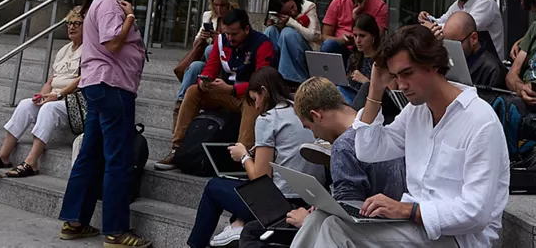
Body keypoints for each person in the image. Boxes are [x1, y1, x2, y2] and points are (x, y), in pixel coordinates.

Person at [290, 25, 510, 248]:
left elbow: (476, 214)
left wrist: (407, 209)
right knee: (318, 220)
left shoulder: (480, 121)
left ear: (433, 65)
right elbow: (367, 149)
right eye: (396, 76)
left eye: (407, 73)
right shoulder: (416, 111)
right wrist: (375, 88)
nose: (401, 85)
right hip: (414, 224)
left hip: (458, 239)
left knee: (335, 229)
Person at [241, 77, 409, 247]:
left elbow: (350, 211)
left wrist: (308, 218)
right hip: (399, 220)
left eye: (309, 127)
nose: (314, 136)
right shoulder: (381, 126)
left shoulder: (343, 145)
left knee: (307, 222)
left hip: (380, 228)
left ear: (316, 115)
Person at [58, 0, 148, 246]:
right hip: (113, 86)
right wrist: (131, 18)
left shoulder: (99, 1)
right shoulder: (109, 3)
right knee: (118, 159)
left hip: (98, 85)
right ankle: (117, 230)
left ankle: (74, 221)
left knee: (90, 154)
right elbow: (112, 43)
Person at [188, 68, 325, 248]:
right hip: (308, 202)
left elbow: (261, 179)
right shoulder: (298, 110)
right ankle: (238, 223)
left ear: (264, 92)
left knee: (214, 187)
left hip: (280, 205)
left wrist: (244, 156)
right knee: (240, 184)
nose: (257, 106)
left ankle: (195, 245)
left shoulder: (268, 118)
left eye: (254, 99)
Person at [156, 8, 275, 171]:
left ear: (246, 29)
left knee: (253, 101)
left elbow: (262, 82)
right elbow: (210, 69)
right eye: (227, 34)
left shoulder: (262, 44)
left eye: (234, 34)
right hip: (226, 92)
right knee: (192, 91)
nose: (230, 38)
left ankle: (244, 157)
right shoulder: (221, 40)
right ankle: (178, 149)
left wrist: (232, 90)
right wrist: (203, 82)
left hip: (248, 94)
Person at [0, 7, 84, 177]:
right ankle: (3, 155)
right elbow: (50, 80)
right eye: (69, 23)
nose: (71, 27)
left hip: (74, 102)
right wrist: (42, 96)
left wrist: (58, 95)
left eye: (77, 23)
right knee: (26, 104)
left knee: (50, 109)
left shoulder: (90, 49)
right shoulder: (64, 50)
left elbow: (85, 78)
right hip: (54, 97)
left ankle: (32, 162)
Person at [174, 0, 240, 123]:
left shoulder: (237, 18)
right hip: (208, 63)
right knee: (194, 66)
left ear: (230, 4)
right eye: (216, 5)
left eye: (222, 5)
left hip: (229, 63)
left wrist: (221, 41)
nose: (218, 9)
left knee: (211, 49)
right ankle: (180, 105)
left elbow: (240, 45)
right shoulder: (209, 16)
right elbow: (196, 45)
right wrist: (202, 37)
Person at [417, 0, 505, 58]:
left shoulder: (485, 3)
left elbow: (460, 29)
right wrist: (427, 19)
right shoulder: (457, 6)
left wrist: (430, 27)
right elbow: (442, 21)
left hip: (490, 66)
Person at [320, 0, 389, 55]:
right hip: (341, 48)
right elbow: (324, 37)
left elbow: (377, 39)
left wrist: (357, 19)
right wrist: (341, 40)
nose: (356, 2)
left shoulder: (380, 7)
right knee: (328, 45)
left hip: (364, 52)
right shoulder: (338, 2)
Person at [262, 0, 320, 84]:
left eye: (292, 7)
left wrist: (290, 22)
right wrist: (275, 23)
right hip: (283, 51)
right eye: (287, 12)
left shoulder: (309, 6)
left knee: (287, 32)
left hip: (307, 51)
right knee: (270, 31)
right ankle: (266, 75)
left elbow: (311, 35)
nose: (293, 12)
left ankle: (290, 81)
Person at [440, 11, 506, 90]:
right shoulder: (450, 59)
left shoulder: (493, 70)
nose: (450, 50)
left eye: (456, 44)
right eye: (447, 43)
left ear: (473, 38)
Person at [339, 12, 382, 106]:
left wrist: (365, 81)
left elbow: (389, 94)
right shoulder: (354, 57)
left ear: (373, 36)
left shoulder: (382, 59)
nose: (358, 40)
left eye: (362, 36)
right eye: (355, 36)